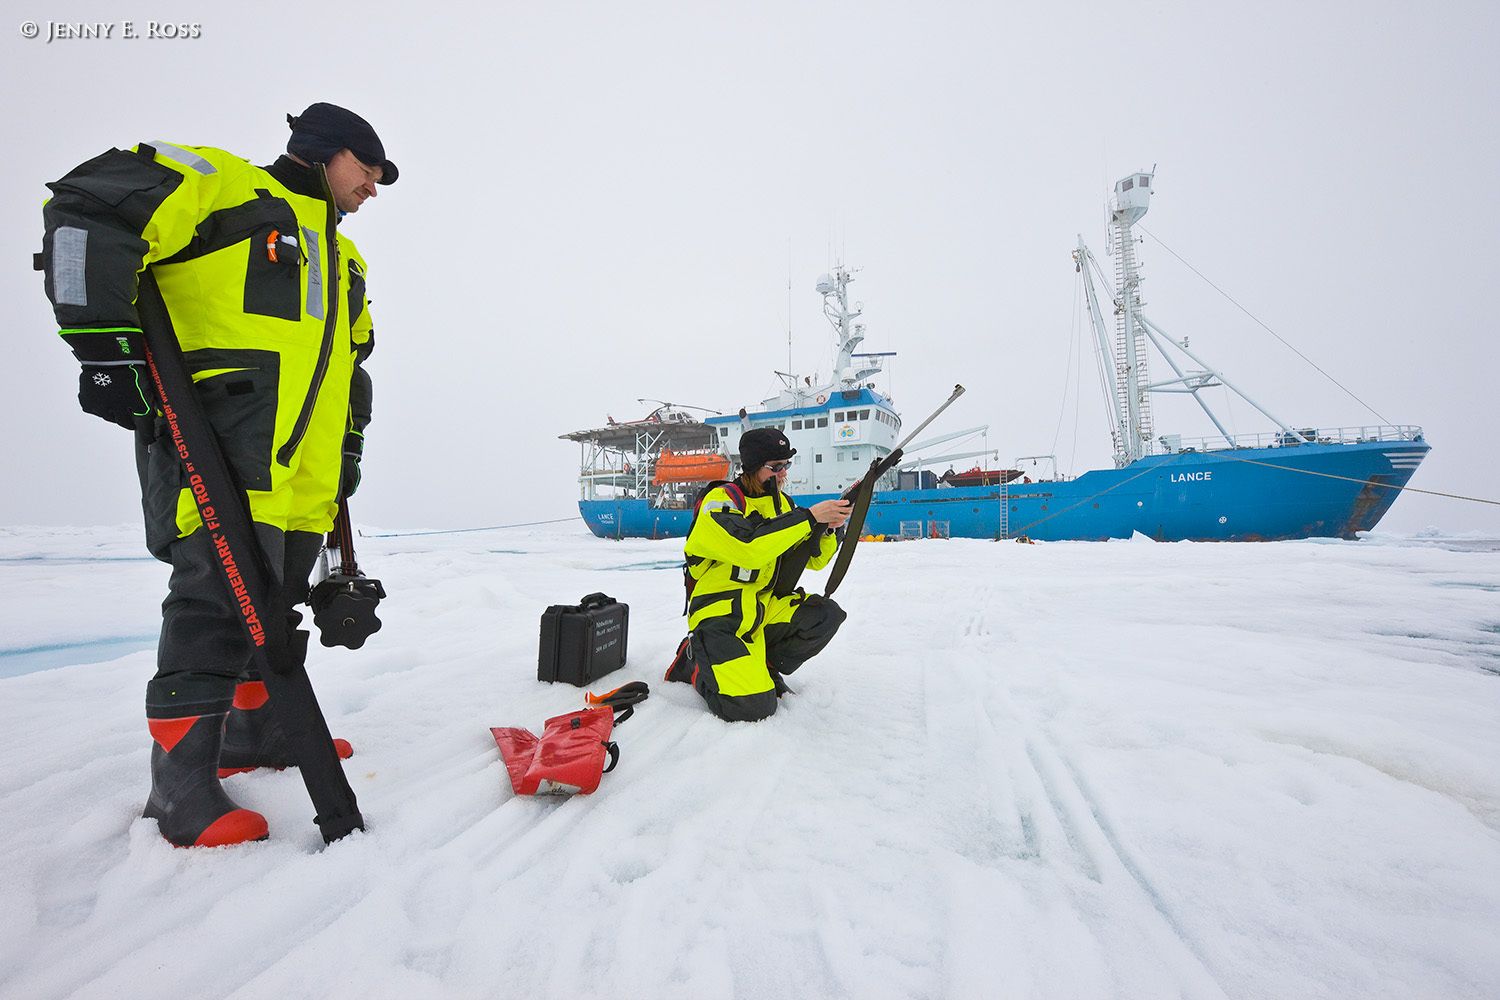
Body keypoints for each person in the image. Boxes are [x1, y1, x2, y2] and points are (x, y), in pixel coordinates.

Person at [38, 103, 397, 848]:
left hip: (301, 477)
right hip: (220, 445)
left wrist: (348, 450)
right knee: (212, 601)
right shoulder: (224, 188)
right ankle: (178, 789)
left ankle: (255, 734)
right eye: (368, 169)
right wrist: (104, 348)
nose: (373, 188)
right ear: (327, 153)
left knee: (276, 597)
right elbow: (87, 209)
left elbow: (352, 369)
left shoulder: (345, 261)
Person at [665, 428, 852, 721]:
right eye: (775, 468)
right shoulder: (721, 500)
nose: (782, 474)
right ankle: (695, 661)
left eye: (786, 466)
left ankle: (760, 664)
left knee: (825, 617)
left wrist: (829, 530)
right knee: (753, 707)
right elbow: (748, 546)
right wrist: (810, 517)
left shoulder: (784, 505)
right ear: (752, 467)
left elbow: (814, 560)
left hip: (761, 608)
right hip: (720, 613)